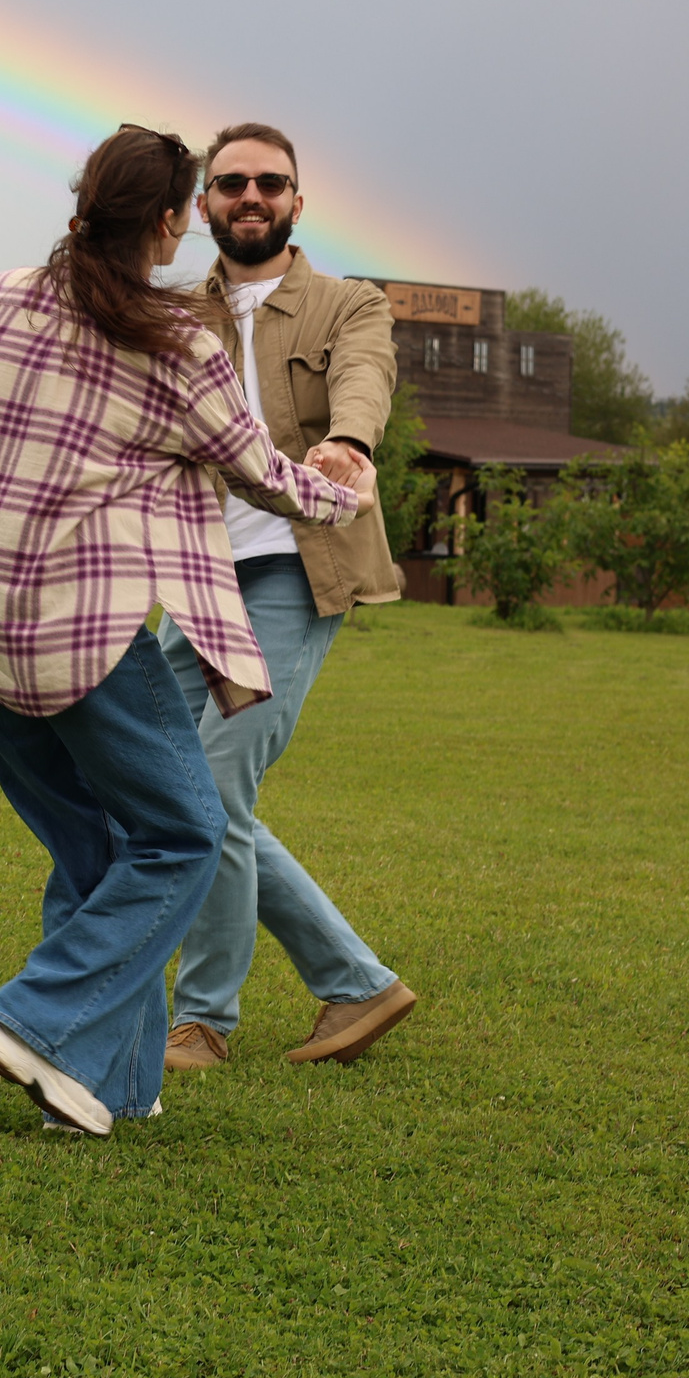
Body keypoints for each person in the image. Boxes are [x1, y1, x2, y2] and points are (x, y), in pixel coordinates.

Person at [0, 124, 361, 1137]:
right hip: (76, 632)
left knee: (95, 846)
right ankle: (39, 1020)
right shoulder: (178, 344)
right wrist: (346, 495)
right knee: (180, 833)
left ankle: (104, 1087)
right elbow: (257, 469)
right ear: (172, 223)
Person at [156, 123, 417, 1074]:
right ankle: (354, 984)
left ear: (298, 200)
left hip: (295, 574)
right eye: (231, 184)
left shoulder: (349, 304)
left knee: (216, 787)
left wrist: (349, 445)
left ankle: (203, 1021)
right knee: (155, 775)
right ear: (204, 206)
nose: (251, 196)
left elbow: (366, 378)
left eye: (271, 182)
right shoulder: (177, 316)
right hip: (194, 580)